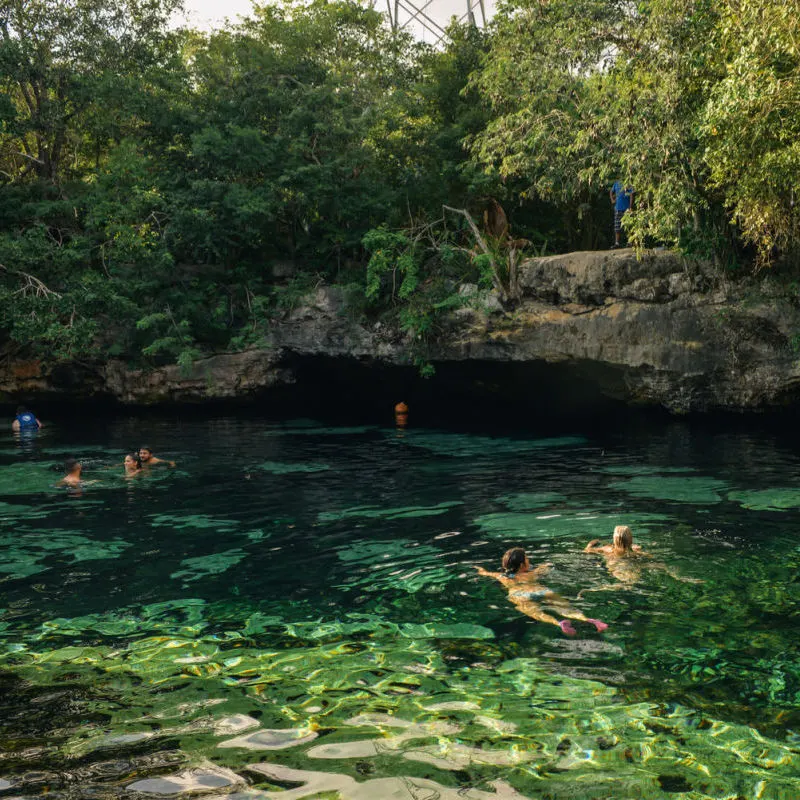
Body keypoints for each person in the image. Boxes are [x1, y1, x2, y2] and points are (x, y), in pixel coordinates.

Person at [475, 547, 607, 636]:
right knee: (566, 608)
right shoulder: (532, 574)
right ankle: (590, 620)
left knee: (537, 613)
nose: (528, 559)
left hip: (518, 594)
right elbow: (546, 567)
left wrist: (480, 569)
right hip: (539, 590)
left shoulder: (501, 577)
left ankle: (559, 623)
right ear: (522, 565)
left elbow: (486, 573)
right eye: (526, 558)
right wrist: (545, 566)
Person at [580, 525, 702, 596]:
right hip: (636, 566)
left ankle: (591, 589)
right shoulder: (636, 549)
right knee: (663, 565)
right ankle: (679, 577)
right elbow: (649, 557)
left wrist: (591, 543)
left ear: (614, 538)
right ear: (630, 539)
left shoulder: (607, 549)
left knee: (627, 584)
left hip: (617, 567)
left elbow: (587, 550)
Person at [609, 181, 634, 248]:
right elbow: (611, 191)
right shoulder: (616, 183)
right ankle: (617, 243)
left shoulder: (628, 184)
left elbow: (631, 195)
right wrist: (612, 200)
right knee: (617, 227)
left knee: (628, 226)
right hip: (617, 208)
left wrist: (630, 207)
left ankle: (630, 242)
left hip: (626, 209)